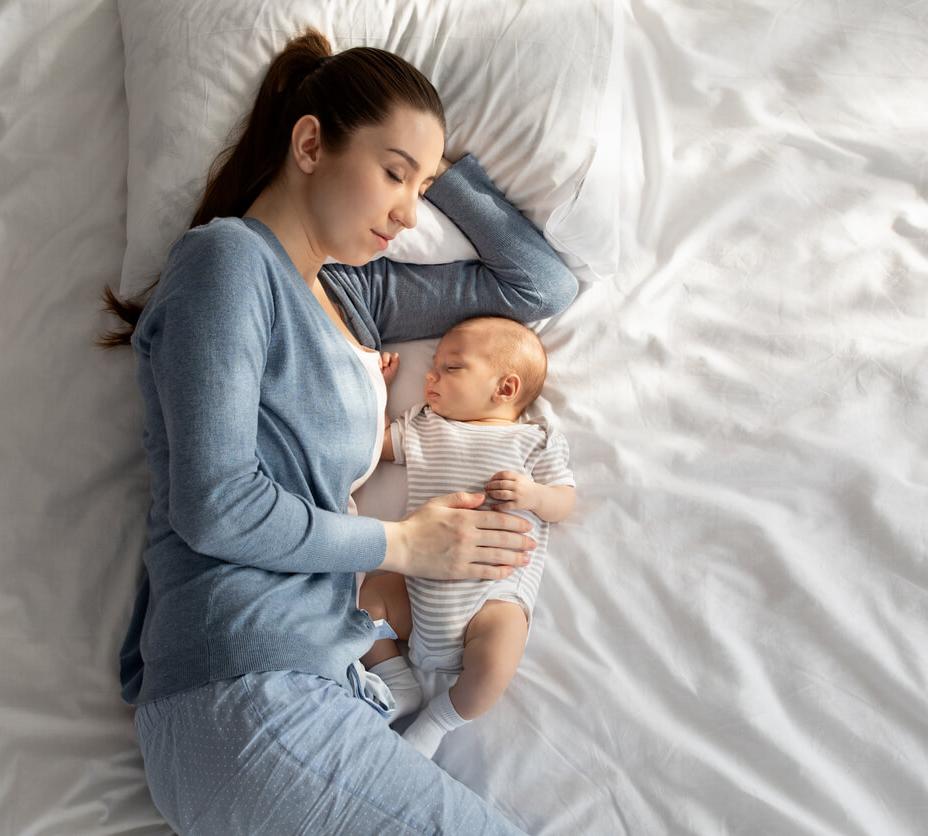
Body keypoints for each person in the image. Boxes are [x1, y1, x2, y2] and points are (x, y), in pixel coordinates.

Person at [99, 28, 577, 835]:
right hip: (244, 684)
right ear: (311, 143)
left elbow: (538, 285)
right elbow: (215, 506)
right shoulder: (227, 262)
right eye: (393, 174)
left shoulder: (356, 295)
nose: (408, 210)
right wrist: (403, 546)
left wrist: (436, 167)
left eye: (420, 188)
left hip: (312, 681)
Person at [355, 316, 576, 758]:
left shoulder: (534, 440)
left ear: (505, 388)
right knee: (368, 596)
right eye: (432, 366)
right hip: (415, 590)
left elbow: (563, 500)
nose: (430, 376)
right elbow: (370, 447)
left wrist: (533, 494)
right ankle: (398, 681)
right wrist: (378, 397)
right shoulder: (422, 424)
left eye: (452, 368)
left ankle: (441, 718)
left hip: (489, 597)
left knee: (499, 652)